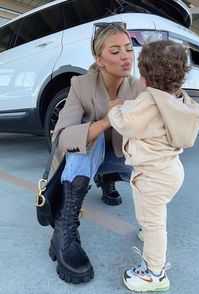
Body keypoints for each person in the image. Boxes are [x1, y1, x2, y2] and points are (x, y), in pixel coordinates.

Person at [108, 40, 199, 292]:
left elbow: (126, 122)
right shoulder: (177, 99)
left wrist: (113, 109)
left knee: (154, 223)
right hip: (171, 171)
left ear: (144, 78)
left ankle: (154, 272)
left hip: (151, 177)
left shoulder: (148, 101)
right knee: (155, 215)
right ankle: (149, 233)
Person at [48, 22, 142, 284]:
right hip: (87, 158)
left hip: (118, 156)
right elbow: (62, 137)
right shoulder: (81, 85)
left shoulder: (138, 88)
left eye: (128, 49)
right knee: (91, 138)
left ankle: (149, 218)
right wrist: (106, 120)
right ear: (99, 59)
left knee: (151, 161)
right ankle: (64, 231)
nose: (125, 56)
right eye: (115, 51)